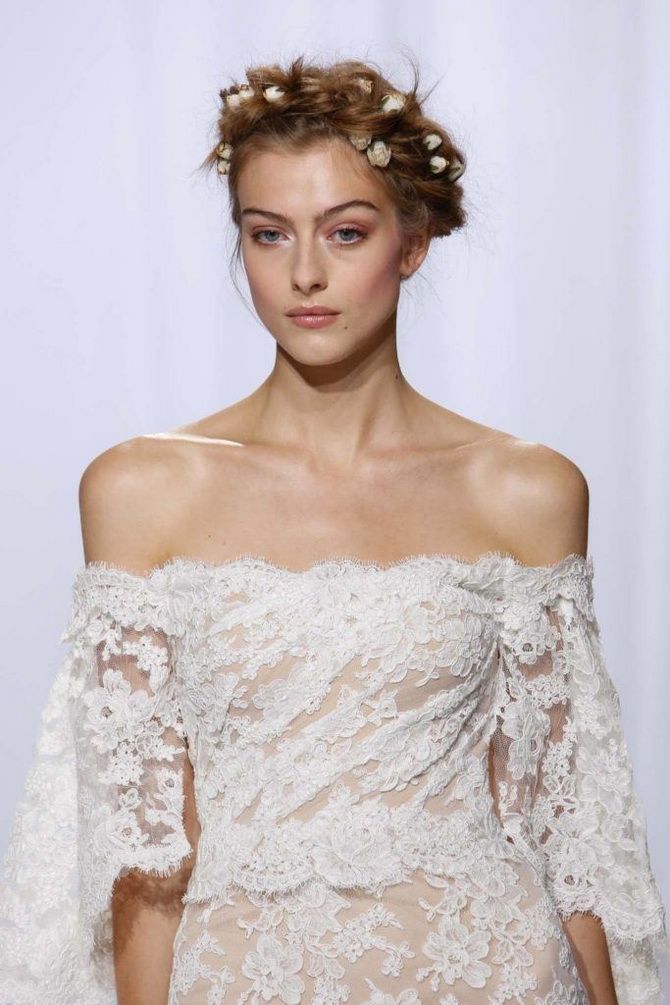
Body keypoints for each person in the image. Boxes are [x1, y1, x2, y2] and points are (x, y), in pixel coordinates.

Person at [0, 53, 667, 1005]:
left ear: (414, 240)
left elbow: (567, 826)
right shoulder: (143, 490)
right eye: (268, 235)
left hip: (496, 976)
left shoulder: (525, 491)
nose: (305, 274)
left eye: (345, 232)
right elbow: (143, 854)